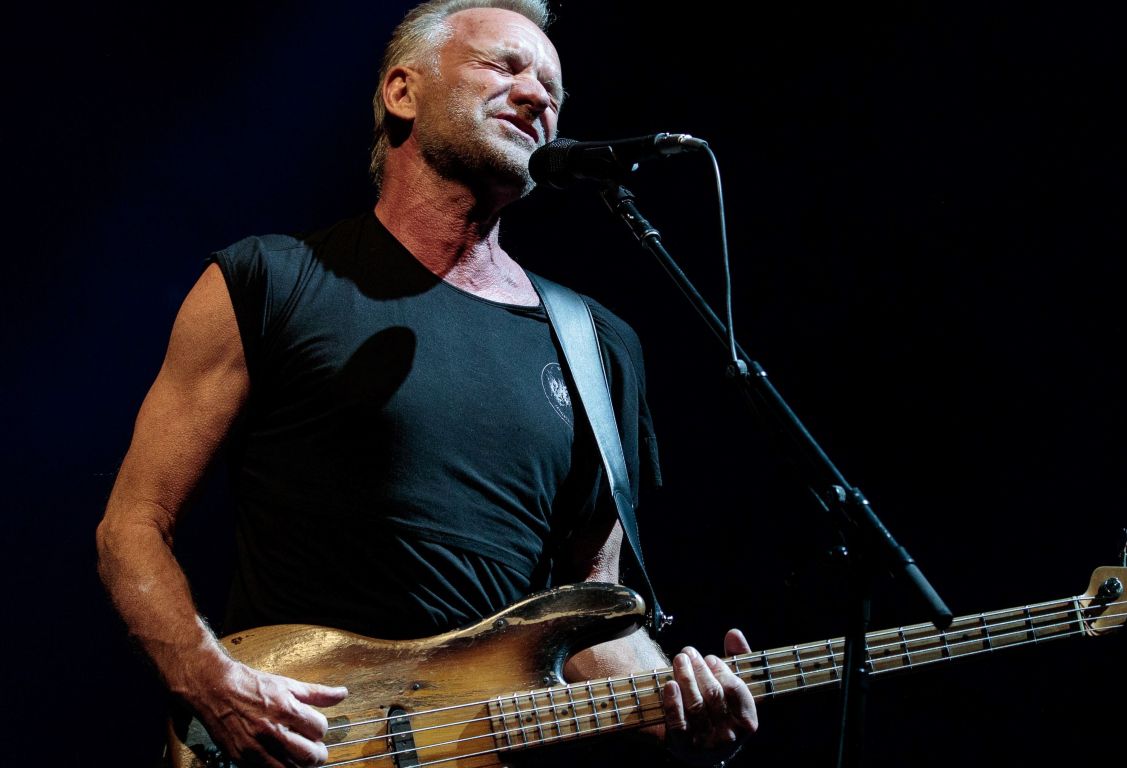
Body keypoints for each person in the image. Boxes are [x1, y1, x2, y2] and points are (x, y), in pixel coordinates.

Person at [94, 1, 758, 766]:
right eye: (505, 66)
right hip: (303, 741)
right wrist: (210, 682)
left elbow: (586, 613)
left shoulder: (597, 345)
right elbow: (131, 527)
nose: (539, 95)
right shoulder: (269, 280)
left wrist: (681, 706)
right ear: (401, 93)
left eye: (552, 85)